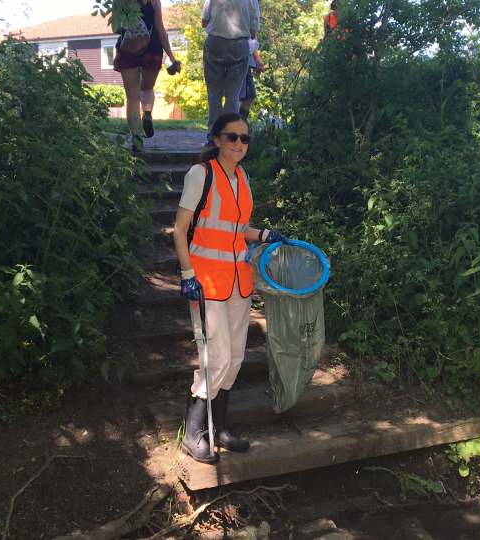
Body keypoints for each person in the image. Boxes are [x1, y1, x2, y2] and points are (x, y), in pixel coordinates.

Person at [172, 112, 289, 464]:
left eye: (245, 138)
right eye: (232, 137)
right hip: (205, 280)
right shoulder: (200, 174)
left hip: (238, 279)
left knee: (235, 357)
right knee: (217, 356)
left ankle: (218, 428)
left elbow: (238, 229)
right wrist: (186, 274)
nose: (239, 144)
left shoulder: (242, 177)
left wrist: (264, 235)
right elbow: (179, 230)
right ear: (217, 139)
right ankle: (194, 434)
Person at [113, 0, 180, 153]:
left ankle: (137, 141)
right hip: (152, 48)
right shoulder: (154, 1)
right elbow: (160, 29)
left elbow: (116, 28)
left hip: (128, 48)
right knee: (148, 87)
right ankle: (147, 115)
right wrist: (172, 57)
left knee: (132, 97)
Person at [201, 0, 260, 144]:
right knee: (233, 96)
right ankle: (229, 136)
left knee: (214, 94)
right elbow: (253, 34)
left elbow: (204, 22)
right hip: (239, 46)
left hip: (214, 44)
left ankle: (212, 137)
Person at [238, 36, 265, 122]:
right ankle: (231, 126)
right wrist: (257, 59)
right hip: (240, 61)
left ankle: (239, 126)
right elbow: (250, 39)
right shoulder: (249, 21)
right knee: (233, 97)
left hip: (247, 62)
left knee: (250, 95)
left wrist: (253, 62)